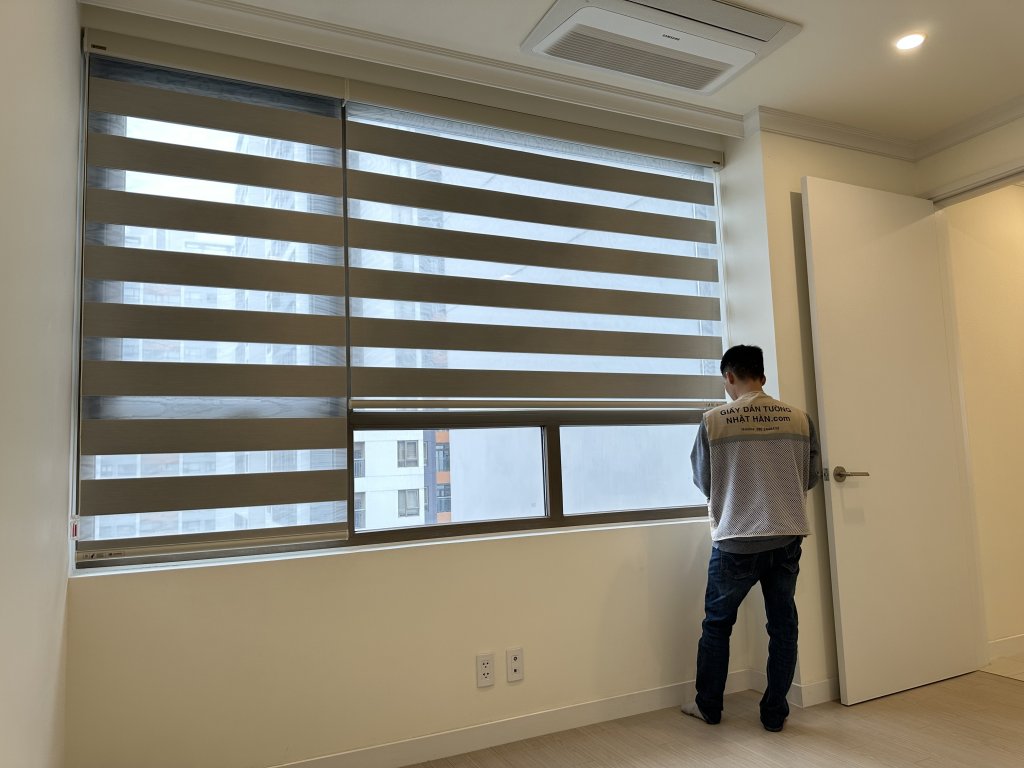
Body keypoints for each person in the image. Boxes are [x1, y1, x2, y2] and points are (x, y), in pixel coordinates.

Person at [682, 344, 821, 732]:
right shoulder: (800, 419)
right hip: (787, 535)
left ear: (729, 376)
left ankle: (709, 706)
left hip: (736, 538)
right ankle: (774, 714)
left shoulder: (713, 421)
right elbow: (810, 476)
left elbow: (703, 480)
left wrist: (735, 492)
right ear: (762, 375)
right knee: (783, 626)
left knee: (717, 625)